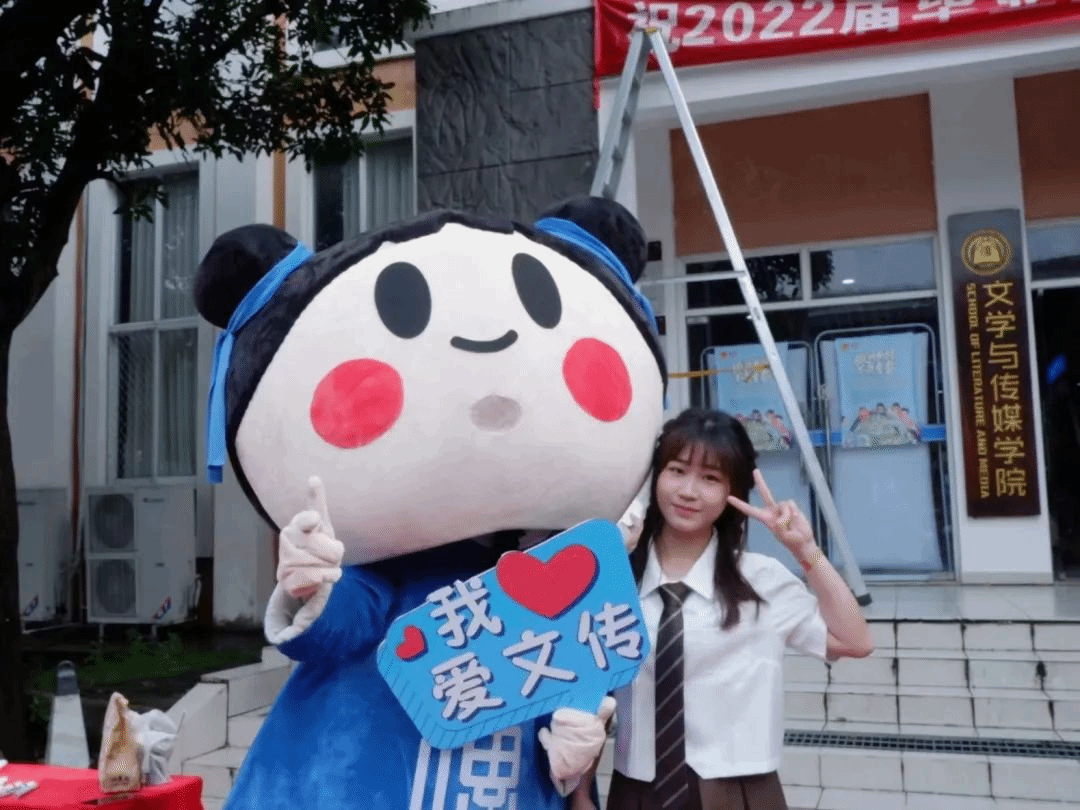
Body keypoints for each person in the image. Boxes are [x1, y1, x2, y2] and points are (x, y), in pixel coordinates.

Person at [580, 407, 874, 810]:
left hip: (741, 792)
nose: (688, 491)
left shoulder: (761, 581)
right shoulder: (617, 580)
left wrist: (806, 551)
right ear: (655, 476)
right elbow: (591, 694)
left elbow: (856, 641)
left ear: (732, 492)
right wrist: (581, 794)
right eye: (677, 470)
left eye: (710, 478)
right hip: (636, 793)